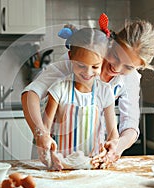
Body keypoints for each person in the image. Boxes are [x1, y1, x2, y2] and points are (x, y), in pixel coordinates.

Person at [21, 17, 154, 169]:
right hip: (53, 153)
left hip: (91, 158)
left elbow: (130, 124)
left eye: (128, 67)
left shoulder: (130, 78)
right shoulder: (79, 61)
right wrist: (41, 134)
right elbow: (31, 93)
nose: (117, 69)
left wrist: (116, 147)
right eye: (115, 56)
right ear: (111, 44)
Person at [42, 28, 119, 169]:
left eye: (95, 67)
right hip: (61, 166)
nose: (88, 73)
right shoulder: (59, 89)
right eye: (81, 65)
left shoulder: (104, 91)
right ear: (71, 56)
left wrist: (112, 146)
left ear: (104, 60)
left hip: (94, 166)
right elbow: (44, 130)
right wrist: (46, 147)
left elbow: (113, 133)